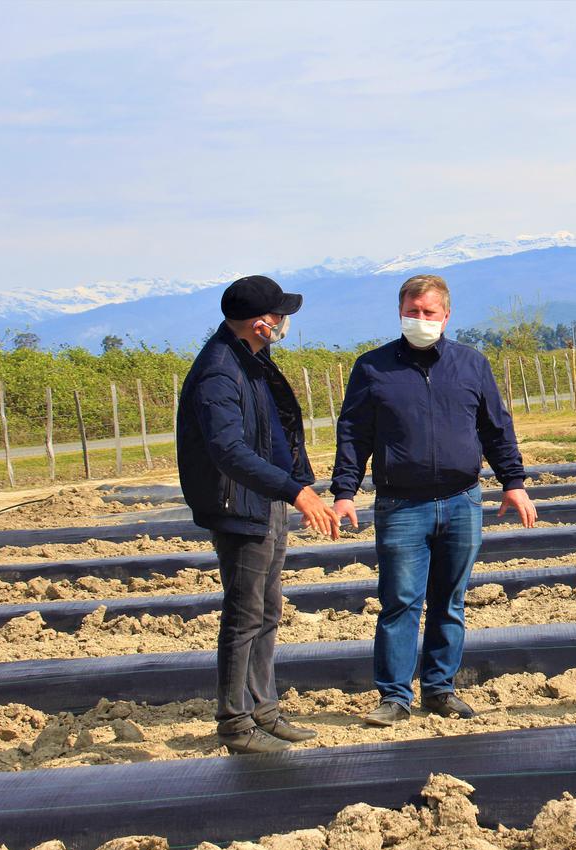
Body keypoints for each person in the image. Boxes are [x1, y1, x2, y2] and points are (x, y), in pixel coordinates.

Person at [331, 274, 538, 726]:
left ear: (446, 315)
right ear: (400, 312)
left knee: (450, 600)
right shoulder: (373, 367)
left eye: (429, 312)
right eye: (412, 311)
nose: (420, 319)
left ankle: (440, 689)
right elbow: (353, 433)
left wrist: (513, 482)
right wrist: (344, 491)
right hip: (401, 505)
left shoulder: (470, 364)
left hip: (461, 501)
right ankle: (394, 697)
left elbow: (495, 428)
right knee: (401, 600)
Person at [177, 275, 340, 754]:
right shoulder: (219, 370)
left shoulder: (252, 360)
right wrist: (297, 493)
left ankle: (263, 710)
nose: (286, 322)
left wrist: (296, 481)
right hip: (239, 504)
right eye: (281, 315)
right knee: (244, 614)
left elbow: (273, 429)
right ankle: (234, 723)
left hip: (264, 499)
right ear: (261, 323)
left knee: (267, 610)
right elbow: (227, 450)